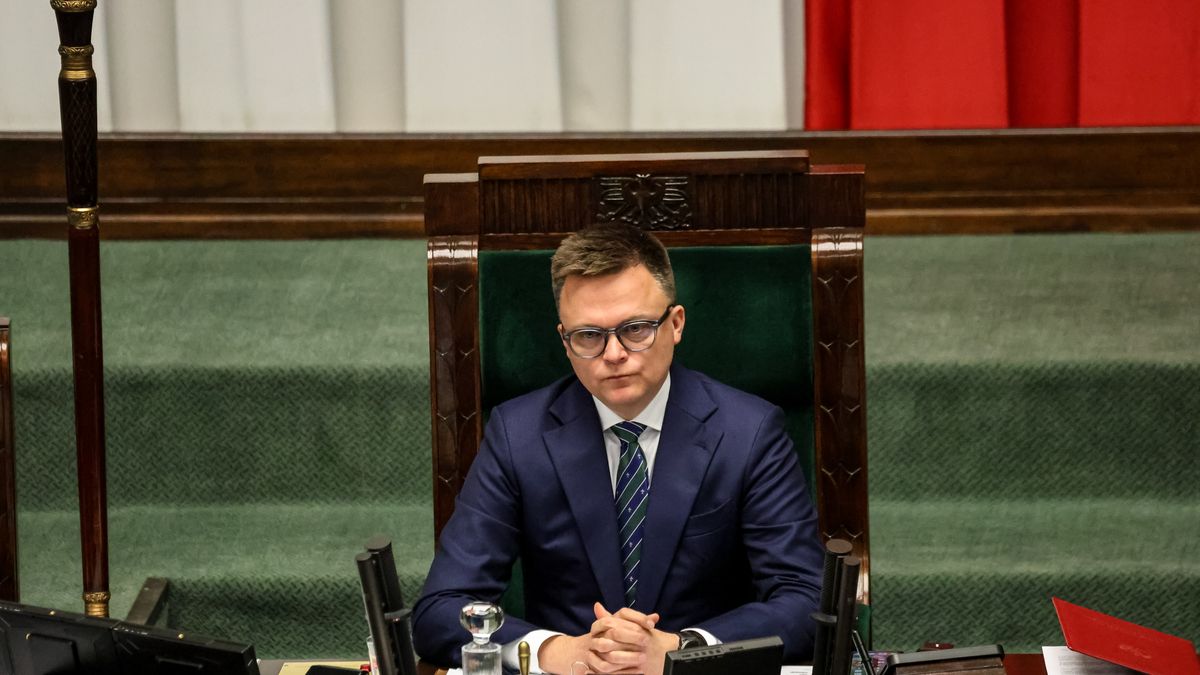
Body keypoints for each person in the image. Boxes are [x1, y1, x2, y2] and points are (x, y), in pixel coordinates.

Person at [412, 223, 823, 674]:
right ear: (565, 341)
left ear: (676, 324)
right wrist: (556, 652)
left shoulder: (749, 432)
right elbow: (441, 609)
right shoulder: (517, 435)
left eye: (635, 329)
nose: (613, 354)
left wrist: (684, 650)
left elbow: (807, 599)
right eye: (589, 335)